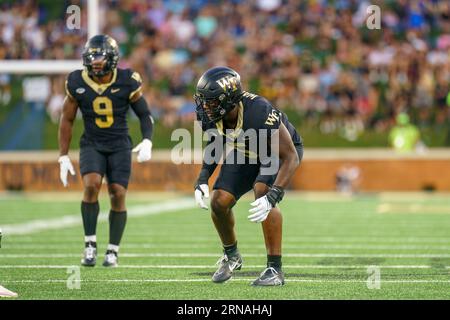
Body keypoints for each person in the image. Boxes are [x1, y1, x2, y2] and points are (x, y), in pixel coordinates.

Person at [193, 66, 303, 286]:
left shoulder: (258, 110)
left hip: (277, 152)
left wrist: (274, 195)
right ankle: (231, 256)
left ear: (229, 100)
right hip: (246, 151)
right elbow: (215, 142)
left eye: (211, 101)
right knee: (219, 200)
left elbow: (290, 156)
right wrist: (203, 178)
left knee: (262, 191)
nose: (205, 106)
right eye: (203, 100)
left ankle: (275, 269)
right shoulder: (211, 114)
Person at [58, 35, 154, 267]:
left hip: (120, 143)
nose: (96, 62)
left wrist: (148, 140)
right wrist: (63, 155)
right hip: (92, 143)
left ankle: (113, 249)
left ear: (111, 59)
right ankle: (90, 244)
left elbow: (144, 114)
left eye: (100, 56)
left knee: (117, 193)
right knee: (91, 185)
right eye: (92, 57)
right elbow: (67, 119)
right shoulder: (76, 81)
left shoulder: (127, 80)